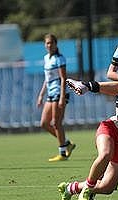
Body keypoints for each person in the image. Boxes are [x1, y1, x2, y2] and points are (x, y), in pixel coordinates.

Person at [37, 33, 75, 162]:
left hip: (59, 92)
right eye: (47, 43)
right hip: (50, 93)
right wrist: (41, 94)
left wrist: (62, 97)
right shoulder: (46, 58)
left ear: (55, 44)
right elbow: (47, 79)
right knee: (44, 123)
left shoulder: (60, 58)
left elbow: (63, 78)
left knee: (56, 123)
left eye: (51, 43)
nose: (49, 45)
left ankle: (62, 153)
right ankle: (67, 143)